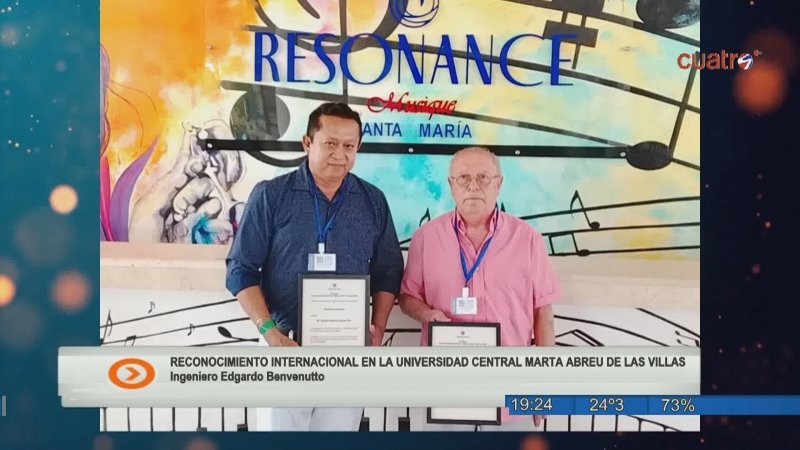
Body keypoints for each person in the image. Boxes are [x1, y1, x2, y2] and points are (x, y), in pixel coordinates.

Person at [225, 102, 404, 431]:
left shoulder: (373, 201)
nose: (340, 154)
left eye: (349, 146)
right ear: (307, 143)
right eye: (330, 143)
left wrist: (377, 330)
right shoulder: (271, 196)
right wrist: (270, 333)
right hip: (286, 347)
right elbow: (240, 269)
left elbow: (388, 271)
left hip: (348, 355)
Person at [398, 146, 561, 431]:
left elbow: (543, 315)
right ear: (451, 185)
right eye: (463, 178)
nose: (473, 186)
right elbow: (407, 297)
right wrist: (427, 314)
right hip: (445, 390)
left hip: (511, 394)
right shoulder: (425, 238)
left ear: (499, 184)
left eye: (483, 177)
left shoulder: (528, 239)